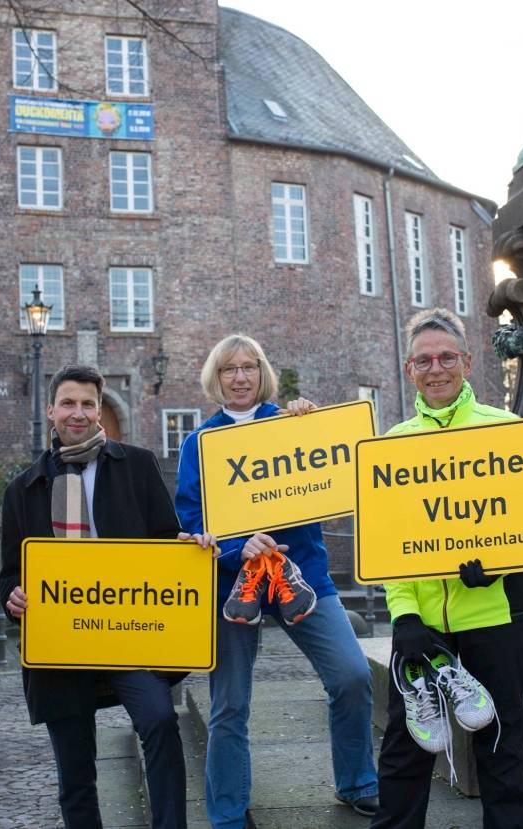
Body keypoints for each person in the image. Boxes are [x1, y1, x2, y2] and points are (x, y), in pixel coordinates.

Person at [175, 333, 379, 827]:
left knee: (352, 676)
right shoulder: (198, 441)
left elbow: (331, 473)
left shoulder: (290, 422)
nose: (239, 377)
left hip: (301, 573)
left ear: (261, 372)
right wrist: (231, 547)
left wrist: (316, 420)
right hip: (234, 585)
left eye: (248, 367)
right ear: (216, 379)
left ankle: (357, 781)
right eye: (229, 370)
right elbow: (190, 516)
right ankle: (227, 811)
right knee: (229, 705)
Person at [0, 364, 213, 829]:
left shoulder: (136, 465)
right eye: (69, 403)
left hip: (128, 631)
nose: (78, 413)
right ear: (51, 409)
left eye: (88, 404)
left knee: (158, 720)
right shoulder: (23, 488)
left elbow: (165, 538)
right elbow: (10, 574)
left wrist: (187, 547)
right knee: (75, 768)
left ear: (99, 411)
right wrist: (12, 599)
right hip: (61, 644)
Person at [370, 308, 523, 829]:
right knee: (406, 744)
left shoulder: (505, 429)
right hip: (423, 619)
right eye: (424, 360)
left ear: (467, 362)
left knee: (501, 742)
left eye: (446, 357)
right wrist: (404, 616)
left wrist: (503, 563)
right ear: (408, 370)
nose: (435, 368)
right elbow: (388, 545)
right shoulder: (393, 443)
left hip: (494, 612)